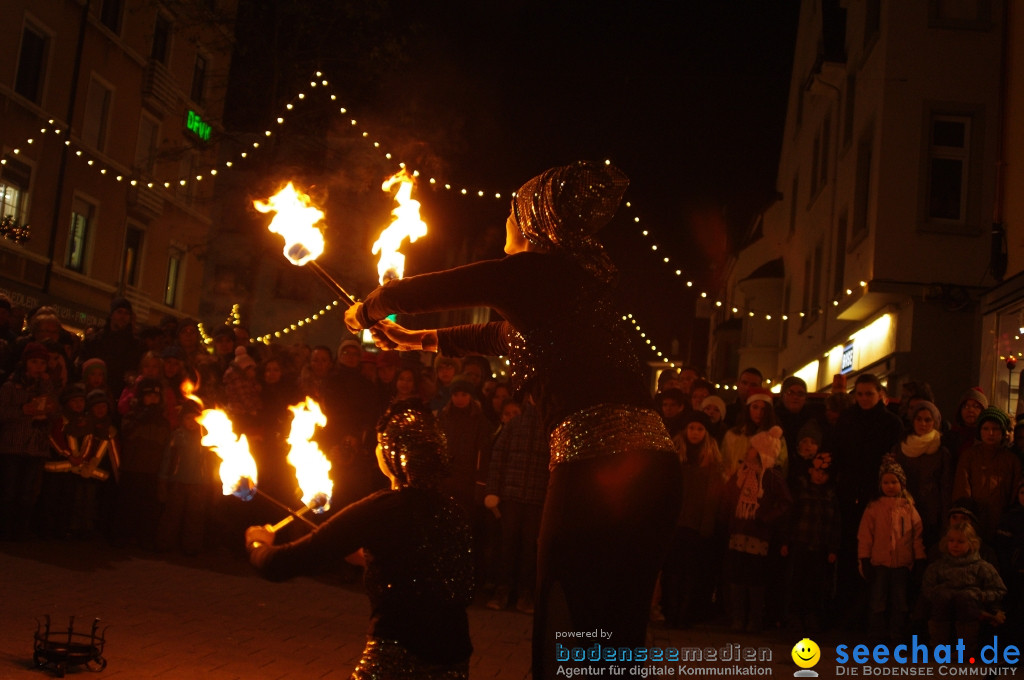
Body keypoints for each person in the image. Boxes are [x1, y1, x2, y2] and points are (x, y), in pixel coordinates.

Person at [343, 161, 681, 678]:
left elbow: (443, 288)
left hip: (598, 468)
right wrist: (417, 340)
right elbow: (493, 337)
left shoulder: (536, 270)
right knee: (617, 619)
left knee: (568, 607)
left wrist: (374, 306)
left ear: (534, 221)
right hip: (654, 471)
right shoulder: (572, 292)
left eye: (511, 210)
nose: (506, 219)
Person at [245, 399, 474, 679]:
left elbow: (280, 565)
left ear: (394, 453)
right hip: (453, 661)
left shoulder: (382, 508)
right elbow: (433, 572)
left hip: (395, 661)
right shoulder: (454, 510)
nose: (377, 449)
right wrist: (370, 559)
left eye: (381, 443)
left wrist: (258, 544)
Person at [857, 460, 926, 643]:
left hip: (902, 564)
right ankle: (876, 633)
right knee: (877, 599)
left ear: (901, 484)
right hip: (879, 562)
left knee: (899, 601)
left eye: (894, 482)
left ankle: (897, 633)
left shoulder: (909, 508)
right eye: (886, 482)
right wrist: (864, 558)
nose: (889, 486)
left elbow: (916, 537)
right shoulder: (874, 507)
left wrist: (919, 559)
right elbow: (865, 536)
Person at [922, 522, 1006, 653]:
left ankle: (966, 649)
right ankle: (940, 647)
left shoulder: (982, 567)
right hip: (943, 607)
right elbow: (927, 588)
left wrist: (980, 595)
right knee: (942, 597)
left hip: (971, 608)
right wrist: (938, 594)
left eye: (960, 542)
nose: (955, 545)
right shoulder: (938, 567)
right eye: (951, 541)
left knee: (965, 597)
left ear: (971, 543)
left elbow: (999, 590)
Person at [952, 406, 1022, 540]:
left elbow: (1015, 491)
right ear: (980, 431)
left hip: (1002, 520)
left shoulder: (1011, 460)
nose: (990, 433)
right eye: (986, 429)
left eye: (995, 429)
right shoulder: (970, 456)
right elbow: (962, 488)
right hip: (974, 518)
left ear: (1002, 432)